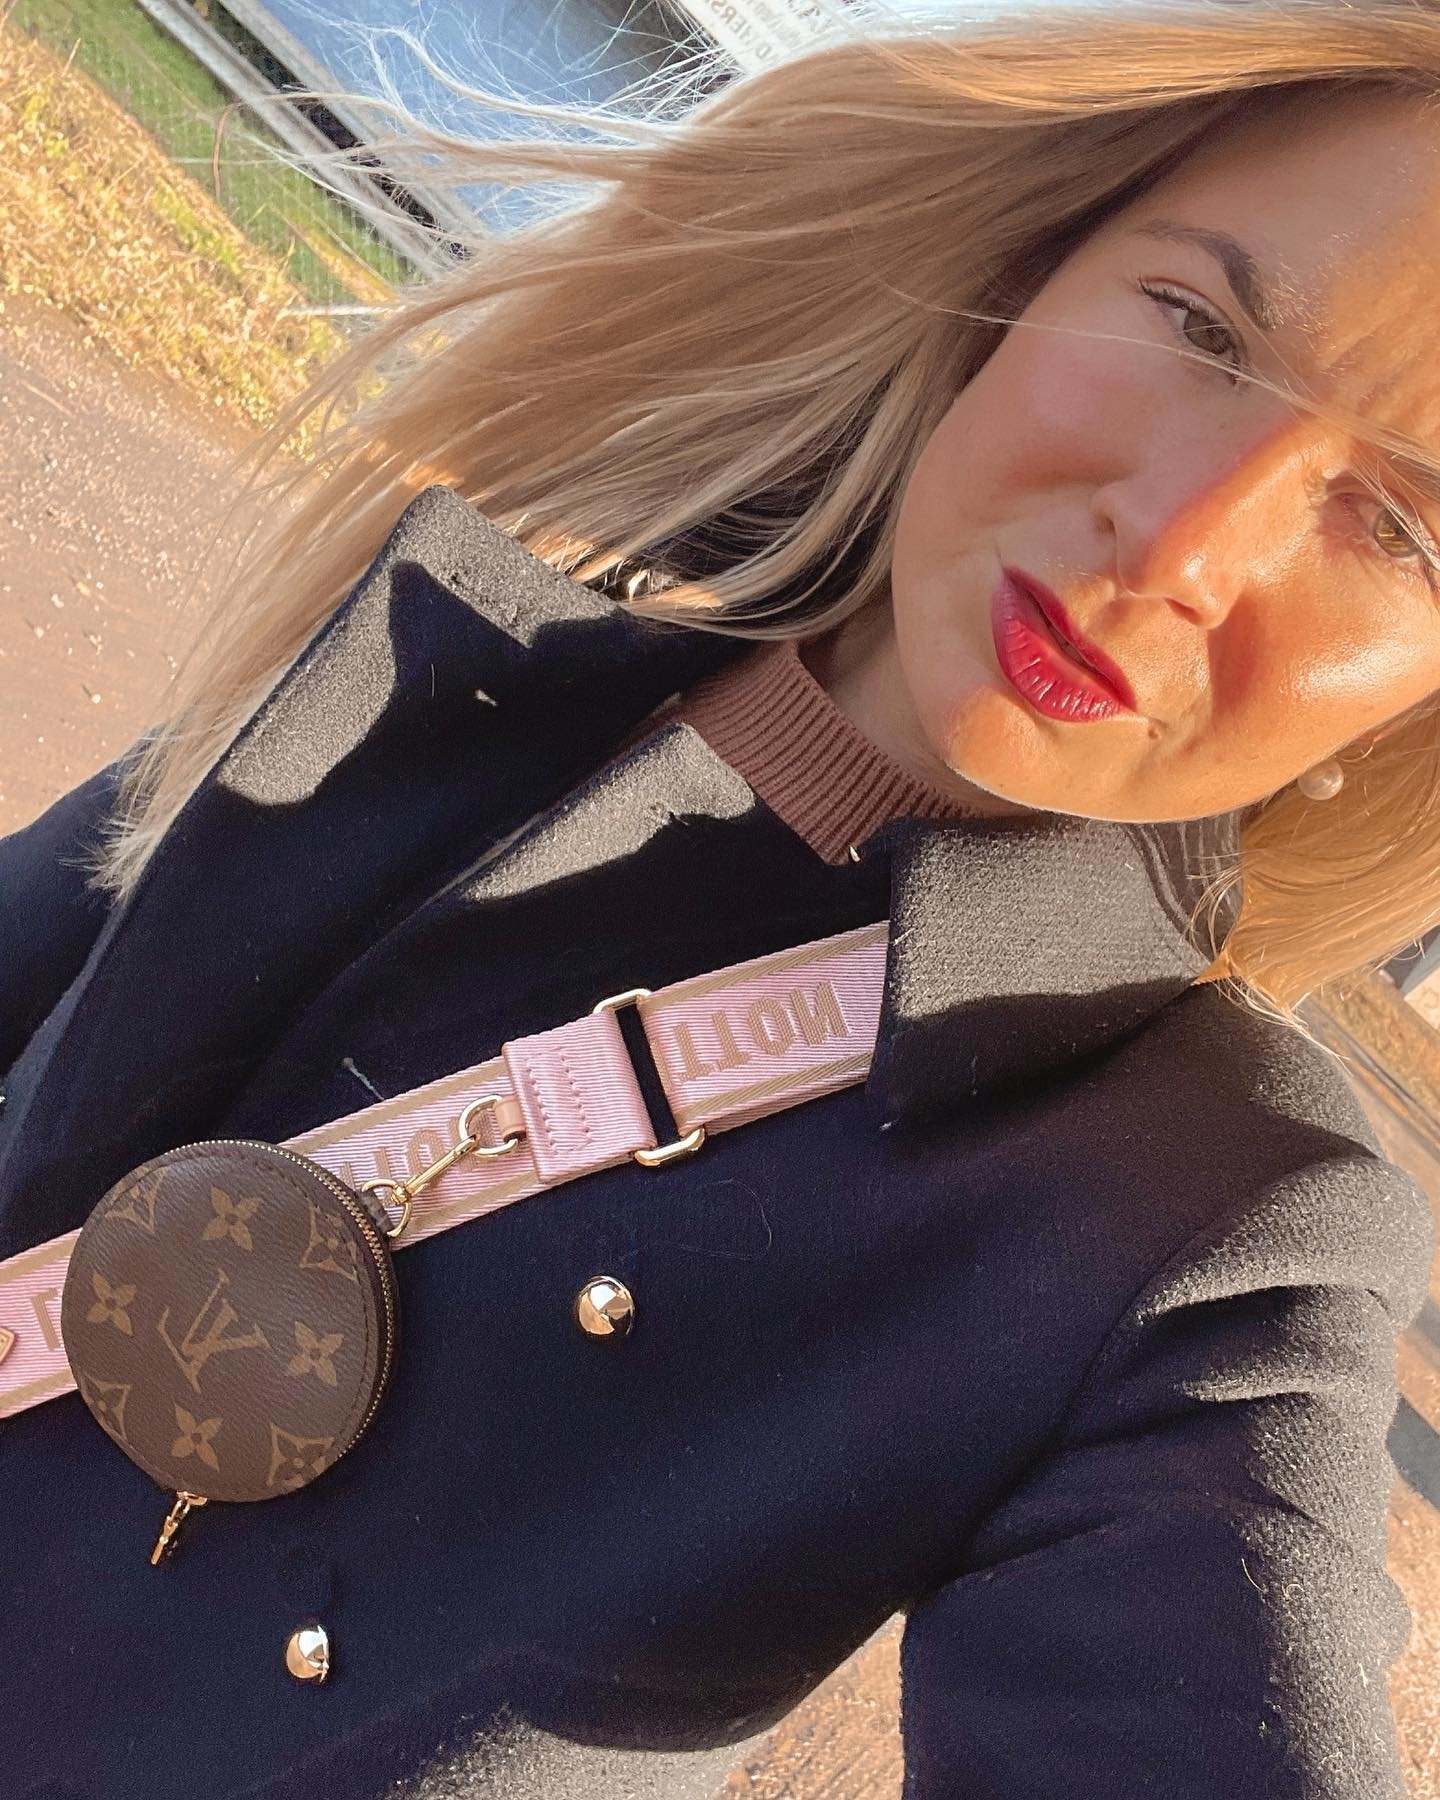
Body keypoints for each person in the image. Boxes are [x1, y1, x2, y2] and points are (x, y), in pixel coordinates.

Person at [2, 2, 1439, 1795]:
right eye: (1201, 327)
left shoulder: (1214, 1228)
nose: (1180, 545)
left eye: (1404, 528)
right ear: (1031, 261)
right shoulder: (484, 636)